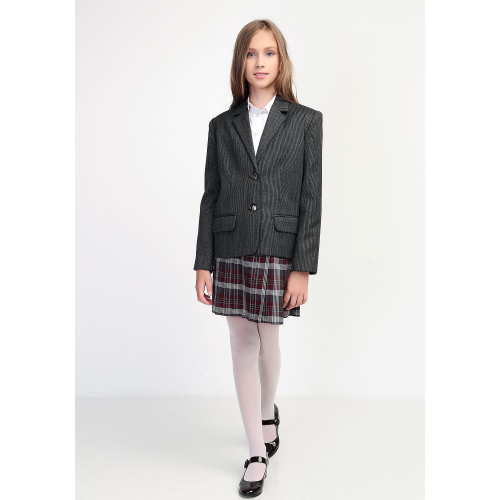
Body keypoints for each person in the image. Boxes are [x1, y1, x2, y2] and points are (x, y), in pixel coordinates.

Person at [194, 19, 323, 497]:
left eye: (269, 53)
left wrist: (302, 267)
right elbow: (211, 195)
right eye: (251, 54)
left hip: (278, 248)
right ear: (241, 63)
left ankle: (268, 413)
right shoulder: (221, 126)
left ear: (281, 60)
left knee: (269, 338)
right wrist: (203, 261)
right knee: (241, 343)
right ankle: (255, 451)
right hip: (230, 245)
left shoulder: (306, 121)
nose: (260, 62)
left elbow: (311, 199)